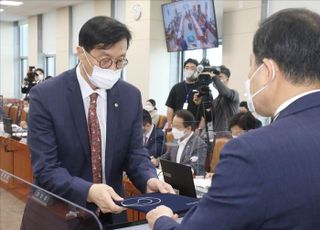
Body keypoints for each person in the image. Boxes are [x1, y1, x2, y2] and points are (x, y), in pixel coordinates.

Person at [146, 8, 320, 229]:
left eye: (251, 65)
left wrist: (161, 221)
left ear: (267, 70)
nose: (249, 76)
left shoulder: (252, 152)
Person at [26, 16, 173, 227]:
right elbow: (46, 168)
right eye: (105, 60)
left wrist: (148, 178)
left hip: (111, 214)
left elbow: (135, 154)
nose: (112, 68)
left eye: (120, 60)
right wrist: (89, 190)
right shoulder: (46, 95)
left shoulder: (129, 96)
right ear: (81, 53)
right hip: (57, 213)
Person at [152, 110, 207, 176]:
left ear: (188, 128)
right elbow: (166, 157)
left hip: (192, 180)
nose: (173, 129)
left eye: (177, 127)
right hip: (174, 178)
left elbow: (195, 167)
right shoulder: (176, 139)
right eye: (173, 125)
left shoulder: (199, 144)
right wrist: (156, 161)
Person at [195, 64, 239, 134]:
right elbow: (209, 118)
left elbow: (224, 92)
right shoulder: (216, 100)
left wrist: (214, 77)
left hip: (231, 136)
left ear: (227, 80)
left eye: (220, 77)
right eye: (217, 77)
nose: (217, 80)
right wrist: (200, 103)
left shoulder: (234, 94)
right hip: (217, 136)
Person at [166, 58, 201, 129]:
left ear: (197, 71)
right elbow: (170, 107)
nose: (189, 70)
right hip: (177, 126)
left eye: (192, 68)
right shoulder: (176, 87)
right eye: (187, 68)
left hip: (194, 126)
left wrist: (200, 128)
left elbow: (205, 112)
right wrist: (170, 123)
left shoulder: (201, 88)